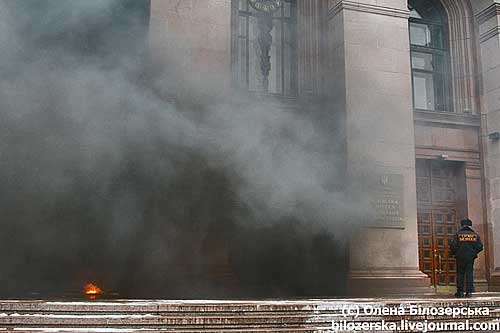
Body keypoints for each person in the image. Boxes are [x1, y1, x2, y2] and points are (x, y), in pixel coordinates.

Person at [450, 218, 483, 298]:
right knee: (469, 274)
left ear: (462, 225)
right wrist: (474, 253)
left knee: (460, 274)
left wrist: (456, 253)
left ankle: (460, 292)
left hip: (460, 257)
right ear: (470, 225)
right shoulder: (474, 235)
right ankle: (469, 292)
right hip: (470, 258)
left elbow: (453, 246)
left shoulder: (458, 234)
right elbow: (480, 246)